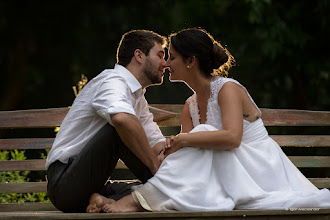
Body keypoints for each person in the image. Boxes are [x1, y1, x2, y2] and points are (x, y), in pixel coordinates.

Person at [101, 28, 330, 212]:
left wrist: (184, 140)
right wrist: (173, 147)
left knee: (201, 132)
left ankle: (136, 200)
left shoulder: (227, 89)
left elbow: (232, 138)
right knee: (195, 140)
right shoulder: (189, 106)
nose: (166, 64)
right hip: (226, 171)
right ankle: (140, 197)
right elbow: (187, 157)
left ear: (190, 61)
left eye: (172, 57)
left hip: (258, 167)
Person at [46, 30, 168, 213]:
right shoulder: (112, 81)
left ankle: (101, 199)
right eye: (160, 55)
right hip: (64, 184)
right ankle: (164, 187)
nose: (165, 63)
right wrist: (154, 166)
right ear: (139, 55)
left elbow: (156, 143)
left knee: (154, 192)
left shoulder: (137, 98)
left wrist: (176, 160)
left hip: (89, 186)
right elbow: (121, 120)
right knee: (120, 128)